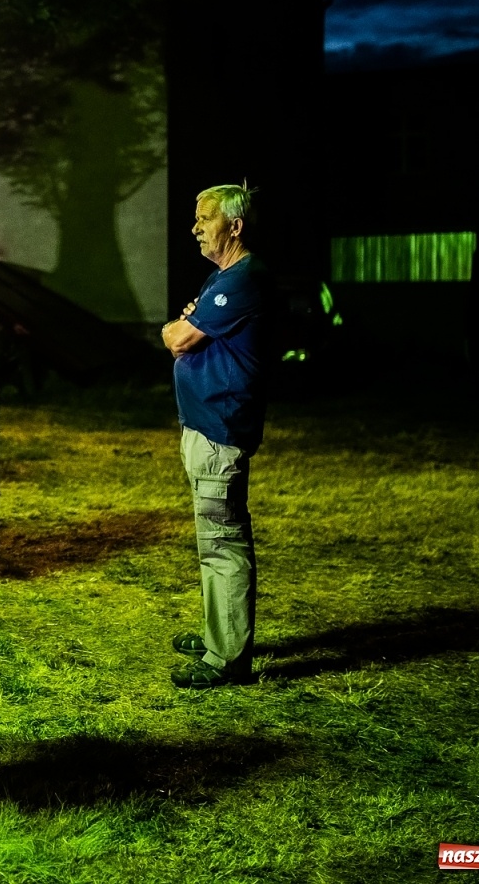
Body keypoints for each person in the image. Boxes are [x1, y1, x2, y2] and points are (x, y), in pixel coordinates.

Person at [160, 183, 274, 690]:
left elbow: (179, 337)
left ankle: (226, 657)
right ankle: (218, 634)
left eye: (205, 218)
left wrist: (182, 328)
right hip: (206, 425)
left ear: (236, 225)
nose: (195, 227)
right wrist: (187, 326)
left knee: (222, 542)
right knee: (213, 539)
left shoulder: (244, 280)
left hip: (220, 429)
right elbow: (186, 333)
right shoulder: (223, 278)